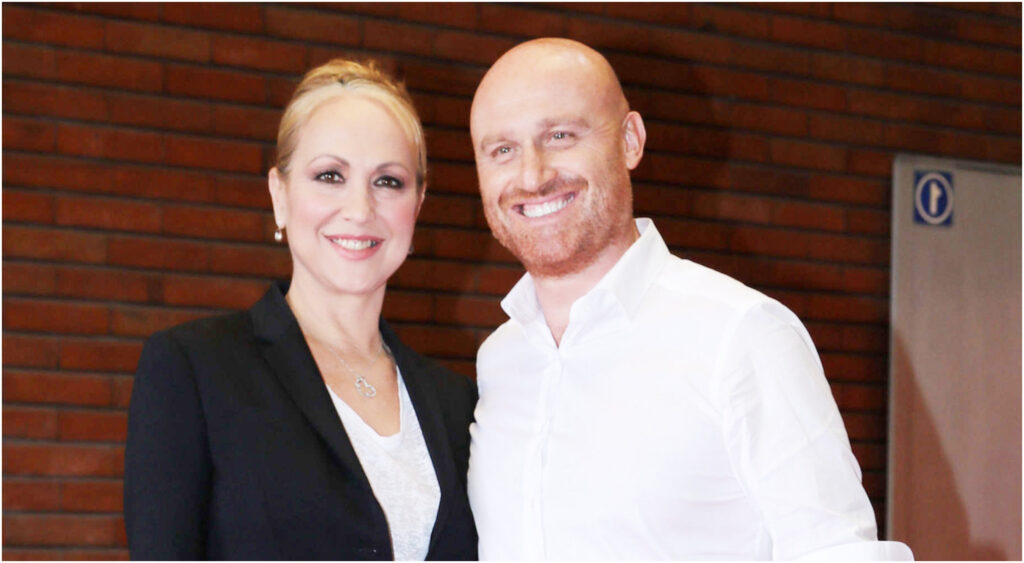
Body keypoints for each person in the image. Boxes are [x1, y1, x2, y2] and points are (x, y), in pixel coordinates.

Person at [466, 38, 913, 560]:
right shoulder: (501, 360)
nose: (532, 175)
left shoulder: (741, 335)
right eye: (502, 150)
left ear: (630, 140)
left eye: (560, 136)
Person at [124, 59, 478, 560]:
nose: (360, 209)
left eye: (388, 181)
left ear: (417, 205)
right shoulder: (194, 369)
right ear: (280, 194)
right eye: (330, 175)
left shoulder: (459, 404)